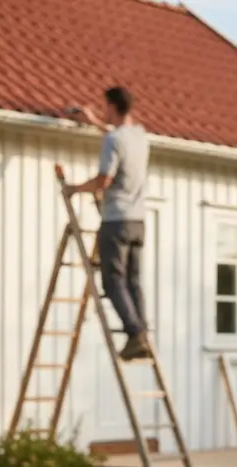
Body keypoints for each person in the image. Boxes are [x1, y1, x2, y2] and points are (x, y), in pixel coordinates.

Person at [64, 86, 152, 361]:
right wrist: (95, 124)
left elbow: (104, 180)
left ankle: (134, 334)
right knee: (133, 280)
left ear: (112, 106)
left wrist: (74, 189)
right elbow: (119, 140)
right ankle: (142, 333)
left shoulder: (113, 140)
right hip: (138, 221)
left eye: (105, 107)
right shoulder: (140, 136)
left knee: (113, 282)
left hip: (116, 220)